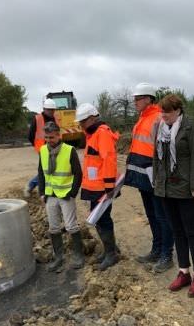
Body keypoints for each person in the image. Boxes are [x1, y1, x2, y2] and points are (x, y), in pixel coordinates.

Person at [153, 94, 194, 298]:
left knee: (191, 231)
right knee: (176, 231)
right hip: (166, 189)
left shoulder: (189, 126)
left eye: (167, 112)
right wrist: (157, 182)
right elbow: (156, 157)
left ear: (178, 110)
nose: (163, 115)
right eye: (162, 111)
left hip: (185, 189)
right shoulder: (160, 127)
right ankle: (184, 272)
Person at [124, 83, 174, 273]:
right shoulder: (142, 119)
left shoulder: (158, 119)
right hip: (143, 177)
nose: (135, 102)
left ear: (148, 99)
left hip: (156, 177)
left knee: (162, 216)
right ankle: (157, 249)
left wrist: (161, 175)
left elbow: (166, 151)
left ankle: (166, 255)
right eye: (135, 99)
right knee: (152, 215)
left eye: (138, 99)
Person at [75, 103, 120, 271]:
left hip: (102, 187)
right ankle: (110, 250)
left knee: (103, 219)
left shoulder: (102, 134)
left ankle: (111, 254)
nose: (81, 125)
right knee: (98, 219)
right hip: (95, 187)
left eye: (83, 121)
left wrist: (109, 187)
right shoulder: (92, 134)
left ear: (93, 118)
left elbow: (108, 159)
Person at [37, 121, 84, 272]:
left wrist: (73, 192)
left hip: (65, 195)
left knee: (71, 226)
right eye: (46, 137)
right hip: (50, 195)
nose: (49, 140)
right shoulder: (43, 150)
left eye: (51, 137)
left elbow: (78, 173)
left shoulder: (69, 150)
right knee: (54, 227)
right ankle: (59, 257)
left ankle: (78, 255)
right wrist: (42, 192)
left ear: (59, 135)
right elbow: (41, 173)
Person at [25, 98, 60, 197]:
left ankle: (49, 187)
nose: (51, 112)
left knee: (53, 168)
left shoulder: (56, 118)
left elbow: (58, 134)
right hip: (42, 149)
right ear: (44, 109)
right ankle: (31, 185)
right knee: (44, 170)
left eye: (53, 110)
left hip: (55, 148)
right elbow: (30, 135)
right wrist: (37, 147)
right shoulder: (37, 118)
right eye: (49, 109)